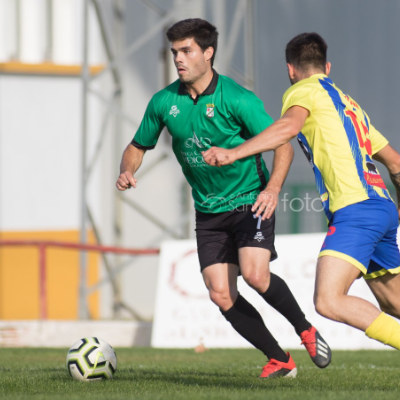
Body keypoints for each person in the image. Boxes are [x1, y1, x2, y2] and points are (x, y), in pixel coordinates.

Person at [202, 32, 400, 387]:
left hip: (356, 210)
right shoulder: (350, 105)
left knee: (328, 300)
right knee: (397, 301)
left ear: (291, 70)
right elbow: (397, 162)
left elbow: (288, 128)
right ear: (328, 67)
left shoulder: (301, 91)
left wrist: (233, 152)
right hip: (381, 206)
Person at [116, 20, 331, 379]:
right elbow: (137, 146)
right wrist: (127, 169)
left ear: (208, 52)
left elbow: (282, 145)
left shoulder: (237, 98)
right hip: (208, 212)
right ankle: (279, 358)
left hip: (250, 199)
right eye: (174, 52)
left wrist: (273, 189)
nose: (178, 59)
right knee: (221, 294)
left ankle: (305, 329)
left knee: (255, 275)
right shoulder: (163, 102)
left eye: (186, 51)